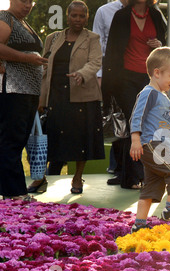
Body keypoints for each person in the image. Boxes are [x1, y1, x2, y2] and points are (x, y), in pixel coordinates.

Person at [39, 0, 105, 194]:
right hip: (57, 96)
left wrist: (81, 74)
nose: (77, 19)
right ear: (67, 17)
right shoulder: (52, 38)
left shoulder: (92, 38)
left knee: (80, 140)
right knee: (53, 138)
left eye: (81, 16)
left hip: (83, 97)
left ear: (87, 17)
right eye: (74, 15)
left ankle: (77, 178)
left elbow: (95, 62)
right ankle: (42, 178)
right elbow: (44, 69)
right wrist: (41, 100)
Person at [102, 0, 166, 190]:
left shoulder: (155, 15)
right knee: (134, 122)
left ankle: (136, 174)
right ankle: (132, 176)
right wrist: (108, 85)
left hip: (149, 78)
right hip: (125, 78)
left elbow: (164, 47)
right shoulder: (121, 16)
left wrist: (159, 44)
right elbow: (111, 51)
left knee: (146, 124)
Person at [129, 47, 170, 232]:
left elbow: (167, 126)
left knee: (151, 186)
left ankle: (139, 225)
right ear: (157, 73)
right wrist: (135, 140)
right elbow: (137, 116)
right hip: (150, 144)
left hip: (161, 144)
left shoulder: (163, 97)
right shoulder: (148, 93)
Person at [0, 0, 48, 201]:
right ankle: (14, 192)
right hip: (13, 90)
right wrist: (28, 58)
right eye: (23, 1)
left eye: (31, 1)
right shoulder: (5, 17)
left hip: (29, 91)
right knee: (11, 141)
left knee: (18, 141)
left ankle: (15, 190)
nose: (28, 5)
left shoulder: (25, 23)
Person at [93, 0, 127, 176]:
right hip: (110, 70)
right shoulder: (104, 11)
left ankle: (134, 168)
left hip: (134, 70)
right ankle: (116, 166)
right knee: (114, 117)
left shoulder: (146, 10)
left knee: (134, 117)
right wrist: (99, 75)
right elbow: (97, 45)